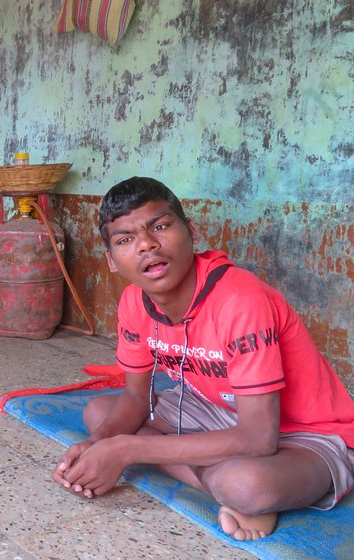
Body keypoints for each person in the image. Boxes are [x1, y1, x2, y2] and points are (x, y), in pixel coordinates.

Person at [52, 177, 354, 541]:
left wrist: (127, 448)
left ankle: (240, 492)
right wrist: (96, 444)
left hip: (306, 433)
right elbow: (134, 398)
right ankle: (218, 481)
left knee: (244, 485)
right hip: (214, 411)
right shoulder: (134, 301)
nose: (147, 244)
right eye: (125, 240)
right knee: (100, 415)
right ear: (112, 261)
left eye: (160, 226)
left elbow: (259, 438)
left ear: (191, 231)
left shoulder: (240, 301)